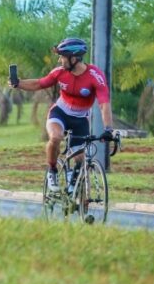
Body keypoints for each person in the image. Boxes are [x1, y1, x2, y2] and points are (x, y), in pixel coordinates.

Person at [9, 37, 115, 192]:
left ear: (74, 58)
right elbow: (39, 83)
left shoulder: (94, 76)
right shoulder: (59, 73)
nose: (59, 60)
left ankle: (73, 185)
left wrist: (108, 129)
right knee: (56, 137)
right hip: (60, 113)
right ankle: (52, 171)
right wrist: (18, 83)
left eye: (62, 57)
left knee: (80, 159)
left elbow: (104, 103)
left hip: (80, 119)